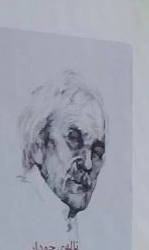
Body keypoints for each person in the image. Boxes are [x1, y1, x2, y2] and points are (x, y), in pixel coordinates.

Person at [18, 71, 108, 233]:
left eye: (96, 152)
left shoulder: (64, 223)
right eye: (74, 140)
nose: (88, 164)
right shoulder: (17, 214)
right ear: (39, 144)